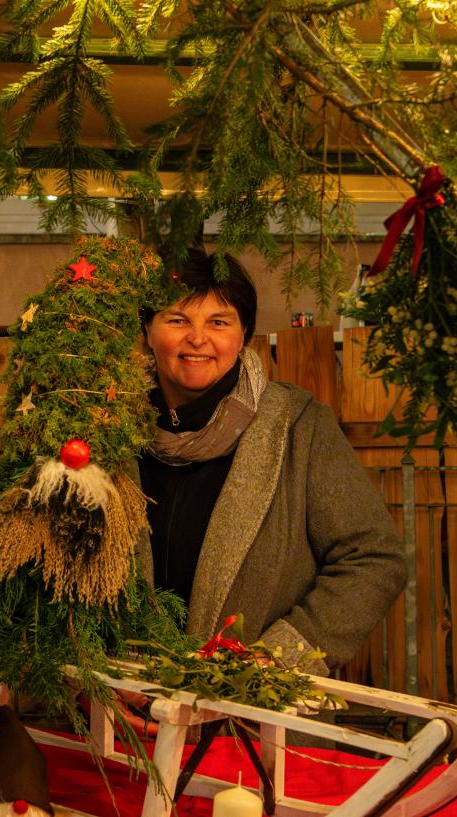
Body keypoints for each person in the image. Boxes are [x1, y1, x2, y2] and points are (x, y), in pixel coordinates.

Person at [136, 248, 406, 674]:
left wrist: (276, 658)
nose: (198, 338)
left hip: (251, 704)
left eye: (219, 322)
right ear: (148, 331)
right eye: (178, 320)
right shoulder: (104, 429)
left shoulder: (298, 426)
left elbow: (374, 557)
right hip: (121, 698)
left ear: (244, 334)